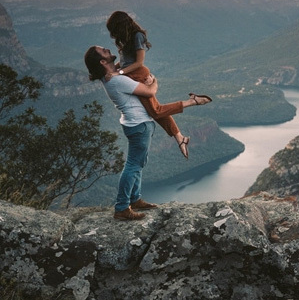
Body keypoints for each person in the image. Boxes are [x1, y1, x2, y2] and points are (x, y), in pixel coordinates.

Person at [83, 45, 206, 221]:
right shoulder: (117, 80)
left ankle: (135, 198)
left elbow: (124, 63)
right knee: (133, 165)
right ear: (103, 62)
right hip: (139, 125)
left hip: (136, 124)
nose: (107, 49)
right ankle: (122, 207)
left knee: (138, 162)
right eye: (104, 50)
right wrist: (154, 80)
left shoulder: (112, 75)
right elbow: (149, 92)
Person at [106, 11, 211, 159]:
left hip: (138, 75)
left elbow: (139, 63)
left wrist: (119, 73)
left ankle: (192, 101)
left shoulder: (137, 36)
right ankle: (180, 138)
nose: (113, 34)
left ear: (121, 25)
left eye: (114, 29)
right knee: (155, 111)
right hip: (131, 76)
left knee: (156, 111)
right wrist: (115, 68)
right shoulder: (126, 38)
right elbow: (126, 60)